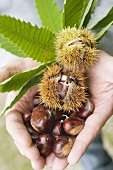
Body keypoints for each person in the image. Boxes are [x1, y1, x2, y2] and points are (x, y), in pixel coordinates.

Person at [0, 0, 113, 170]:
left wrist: (101, 44)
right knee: (82, 138)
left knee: (85, 131)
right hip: (42, 50)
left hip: (80, 30)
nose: (66, 81)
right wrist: (17, 62)